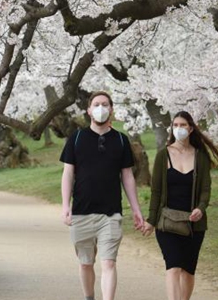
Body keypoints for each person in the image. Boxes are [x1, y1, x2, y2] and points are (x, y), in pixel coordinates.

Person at [60, 91, 144, 300]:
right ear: (89, 110)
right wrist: (65, 205)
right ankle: (89, 297)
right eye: (96, 104)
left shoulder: (121, 140)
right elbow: (68, 173)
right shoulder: (76, 138)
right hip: (82, 212)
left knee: (109, 262)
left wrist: (136, 209)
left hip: (111, 214)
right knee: (86, 262)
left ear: (111, 109)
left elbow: (127, 177)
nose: (100, 108)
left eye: (105, 104)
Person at [141, 111, 218, 300]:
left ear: (191, 128)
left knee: (188, 270)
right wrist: (151, 221)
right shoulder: (163, 155)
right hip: (167, 222)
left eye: (183, 125)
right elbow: (156, 192)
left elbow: (206, 189)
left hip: (193, 224)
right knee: (173, 266)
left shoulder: (200, 156)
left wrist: (200, 208)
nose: (179, 129)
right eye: (176, 125)